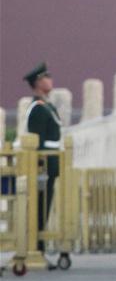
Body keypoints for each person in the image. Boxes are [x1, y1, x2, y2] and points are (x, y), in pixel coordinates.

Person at [22, 63, 62, 266]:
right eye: (46, 77)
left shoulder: (47, 106)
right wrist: (40, 170)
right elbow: (36, 143)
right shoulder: (38, 110)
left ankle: (41, 249)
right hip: (43, 169)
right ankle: (36, 249)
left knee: (44, 209)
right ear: (38, 82)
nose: (50, 80)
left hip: (52, 168)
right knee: (39, 209)